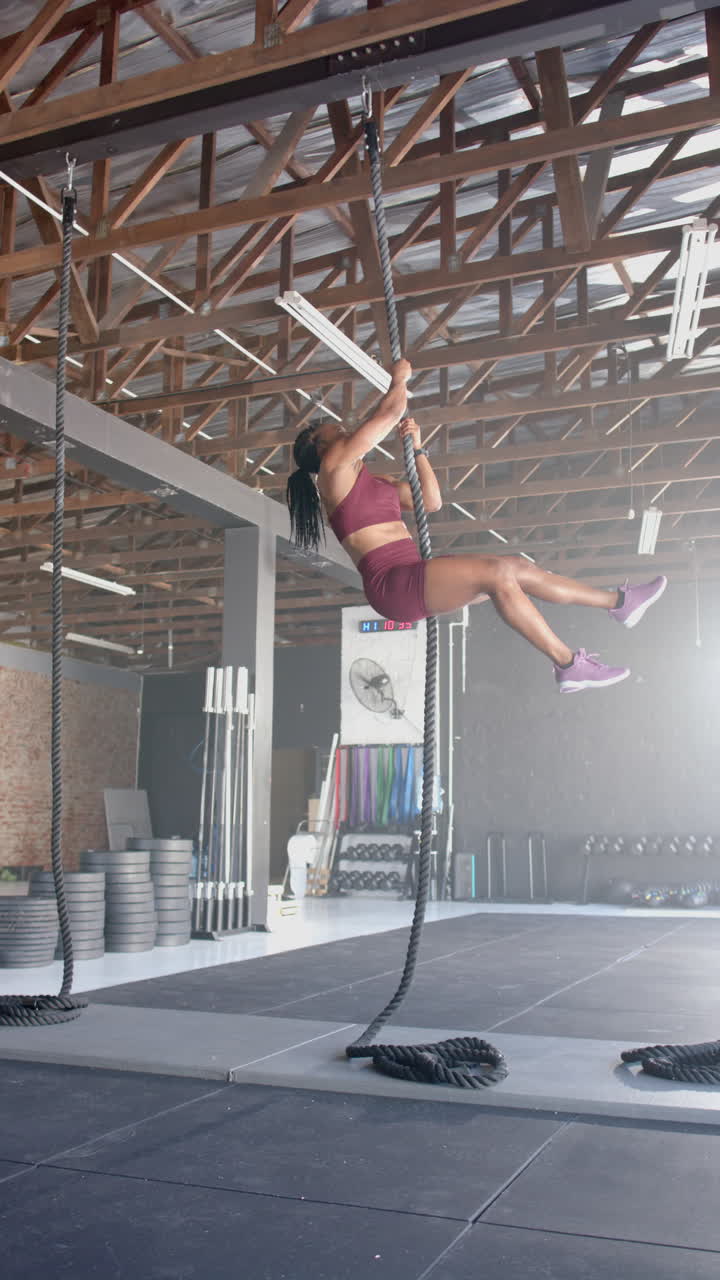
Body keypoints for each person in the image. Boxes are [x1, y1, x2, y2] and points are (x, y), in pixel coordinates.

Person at [286, 358, 667, 692]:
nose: (339, 429)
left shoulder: (376, 481)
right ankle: (569, 664)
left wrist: (417, 449)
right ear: (320, 448)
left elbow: (431, 500)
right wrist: (399, 379)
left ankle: (619, 603)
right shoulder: (333, 470)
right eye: (330, 430)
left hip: (409, 575)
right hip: (394, 584)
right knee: (499, 574)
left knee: (516, 567)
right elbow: (386, 415)